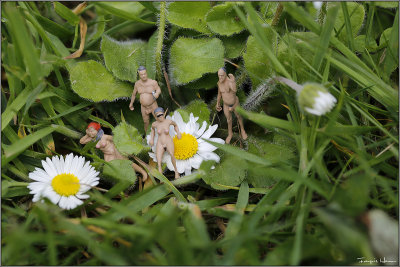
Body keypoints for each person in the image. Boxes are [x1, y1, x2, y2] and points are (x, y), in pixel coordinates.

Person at [80, 122, 148, 181]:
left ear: (97, 130)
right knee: (111, 167)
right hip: (107, 154)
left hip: (114, 149)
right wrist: (87, 134)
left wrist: (122, 148)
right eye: (89, 131)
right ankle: (127, 177)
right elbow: (82, 142)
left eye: (92, 131)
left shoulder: (105, 137)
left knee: (125, 161)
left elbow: (115, 139)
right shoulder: (93, 140)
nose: (90, 132)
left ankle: (142, 171)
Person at [216, 67, 248, 144]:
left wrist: (233, 82)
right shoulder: (219, 83)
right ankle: (230, 134)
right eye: (219, 75)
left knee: (239, 116)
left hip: (234, 103)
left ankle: (243, 130)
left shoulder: (230, 82)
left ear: (225, 74)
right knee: (228, 120)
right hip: (226, 105)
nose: (220, 77)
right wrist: (218, 103)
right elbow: (219, 94)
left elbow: (234, 90)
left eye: (222, 75)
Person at [149, 107, 181, 179]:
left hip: (168, 141)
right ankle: (161, 178)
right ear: (155, 117)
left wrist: (178, 132)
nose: (160, 117)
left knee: (172, 155)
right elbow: (152, 131)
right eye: (158, 116)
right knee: (159, 161)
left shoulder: (168, 121)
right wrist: (151, 139)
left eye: (161, 115)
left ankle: (176, 171)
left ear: (164, 114)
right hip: (160, 142)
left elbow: (175, 125)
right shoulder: (155, 124)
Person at [129, 66, 162, 134]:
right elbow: (134, 94)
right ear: (139, 75)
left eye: (145, 74)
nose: (143, 76)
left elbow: (158, 89)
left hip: (153, 105)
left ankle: (161, 133)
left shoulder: (153, 82)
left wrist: (157, 93)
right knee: (146, 121)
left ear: (147, 73)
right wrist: (131, 103)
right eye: (141, 74)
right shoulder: (137, 84)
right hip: (143, 106)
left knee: (158, 119)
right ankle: (147, 135)